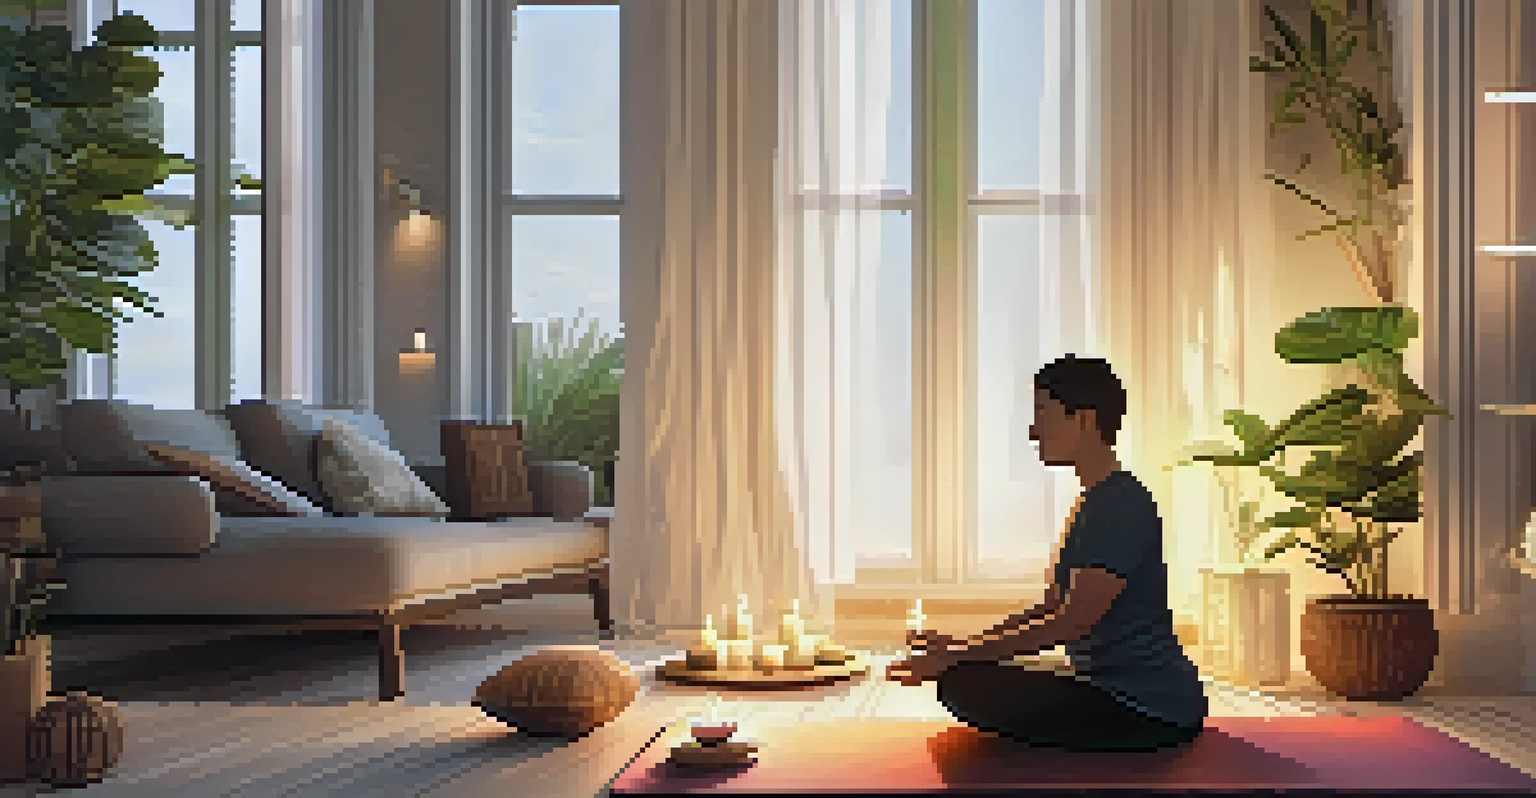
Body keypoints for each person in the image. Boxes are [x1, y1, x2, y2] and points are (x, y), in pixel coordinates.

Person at [886, 354, 1207, 751]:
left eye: (1043, 413)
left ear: (1085, 420)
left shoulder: (1119, 504)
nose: (1033, 431)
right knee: (970, 669)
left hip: (1147, 708)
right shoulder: (1092, 501)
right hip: (1103, 683)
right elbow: (1051, 608)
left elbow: (1071, 624)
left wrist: (957, 659)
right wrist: (959, 646)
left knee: (964, 684)